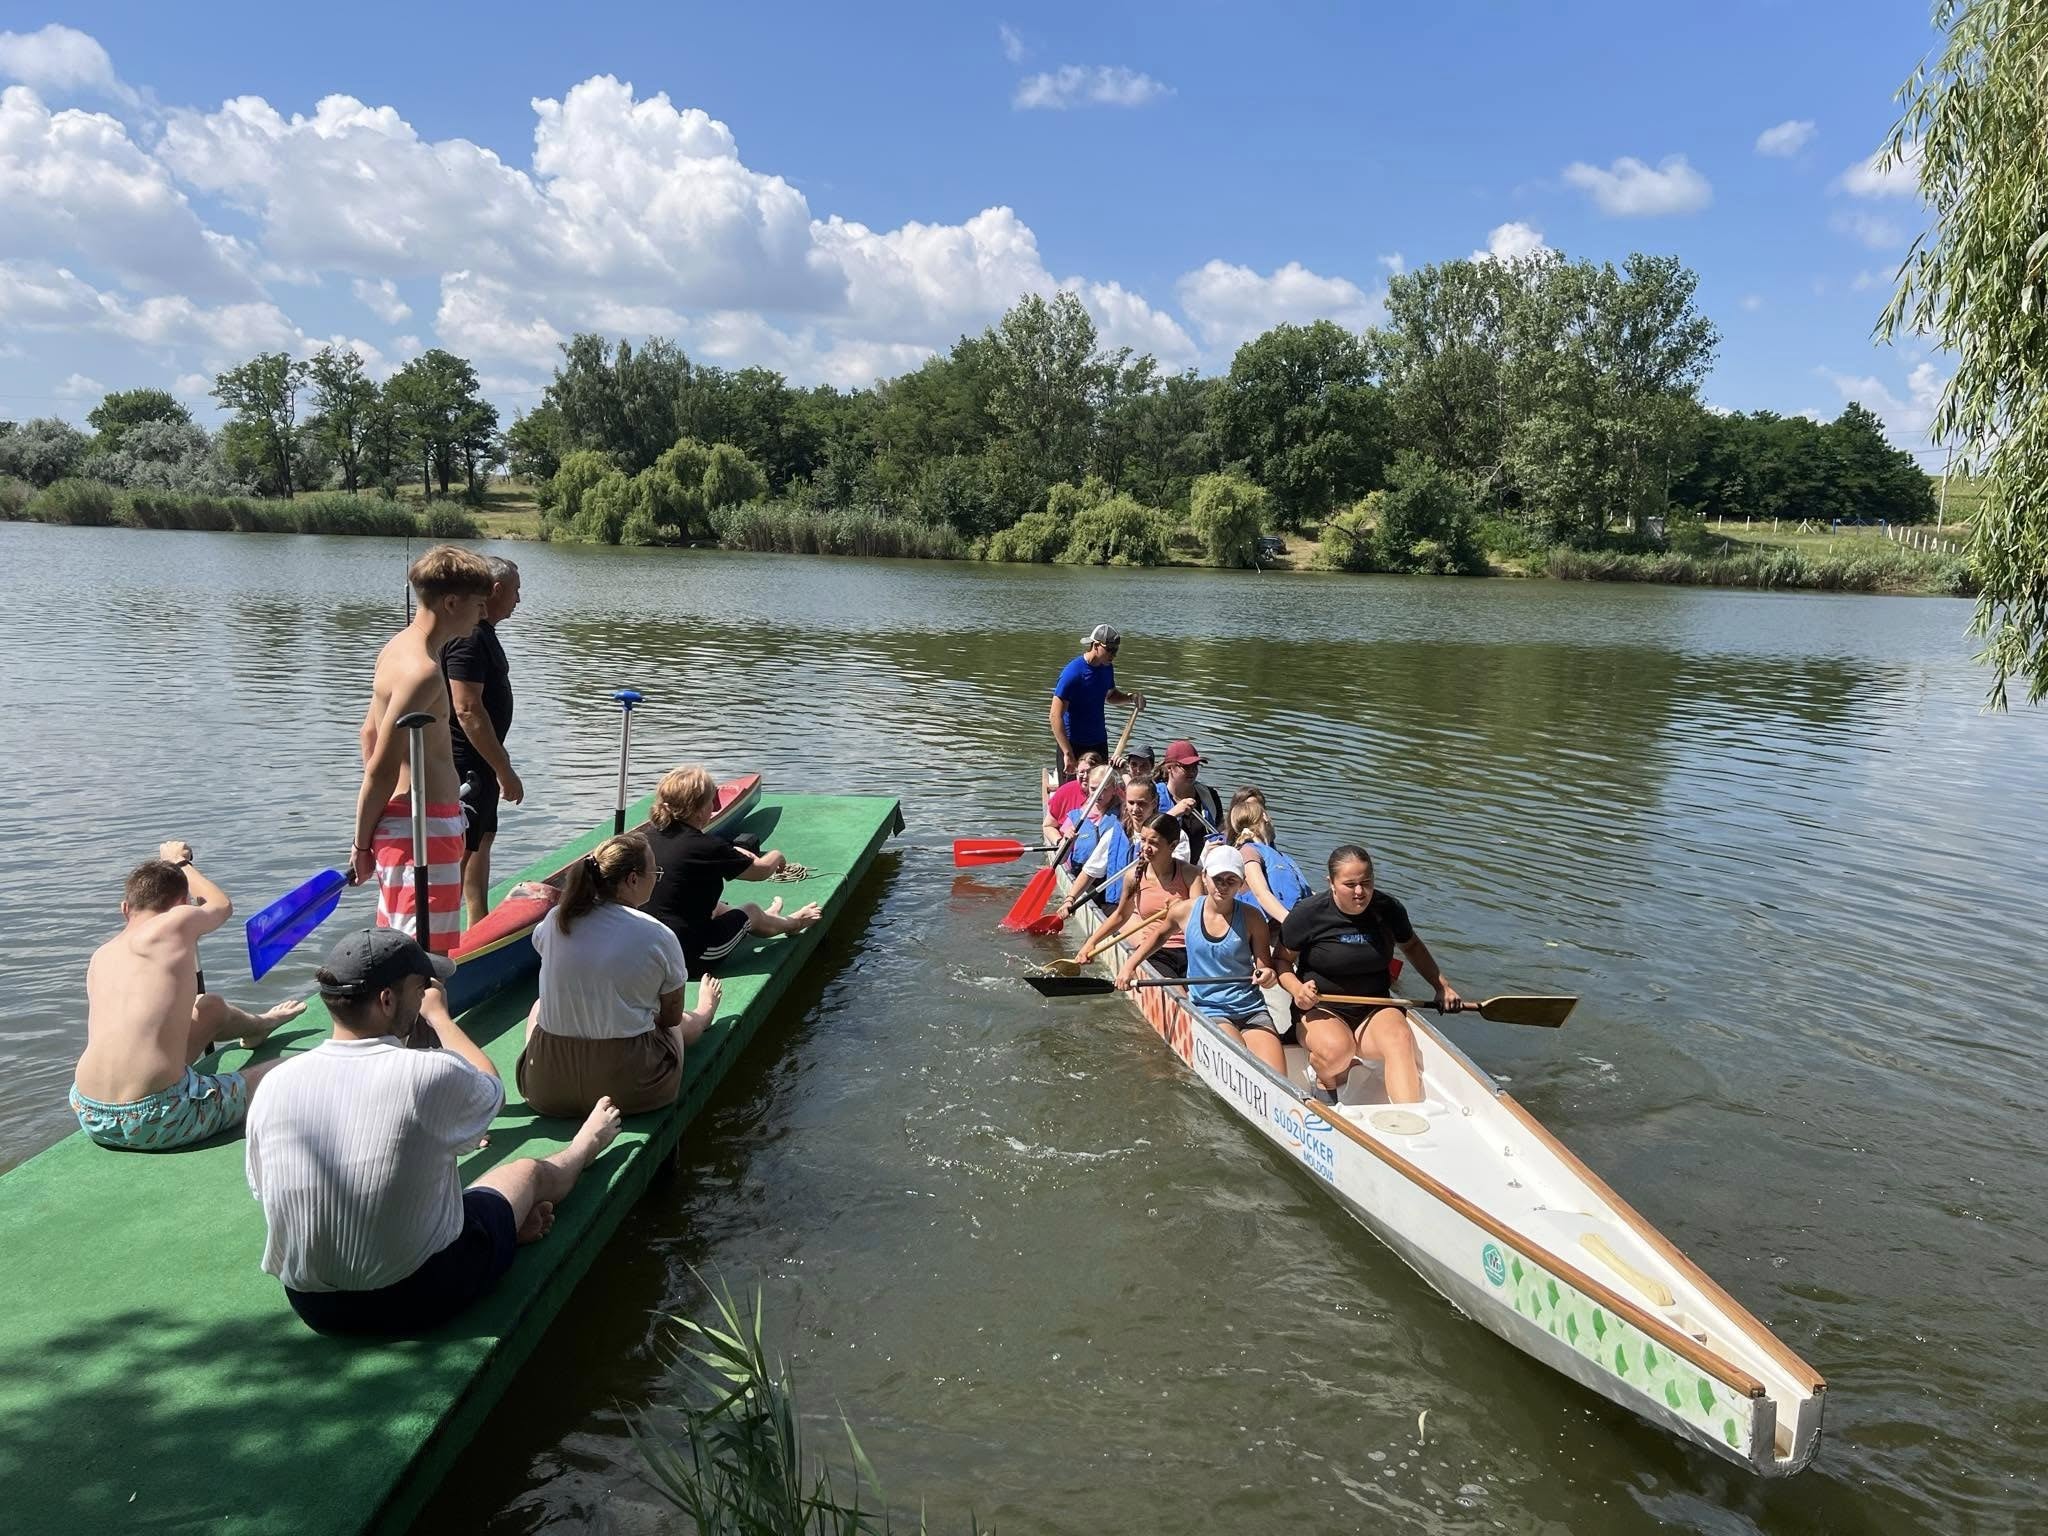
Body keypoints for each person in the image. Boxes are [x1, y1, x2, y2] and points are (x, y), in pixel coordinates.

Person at [245, 927, 623, 1337]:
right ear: (387, 1000)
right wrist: (440, 1017)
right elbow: (491, 1090)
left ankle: (503, 1229)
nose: (428, 994)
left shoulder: (275, 1083)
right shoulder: (428, 1072)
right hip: (417, 1295)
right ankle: (585, 1146)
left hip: (314, 1306)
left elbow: (268, 1191)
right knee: (525, 1173)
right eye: (421, 988)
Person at [71, 843, 304, 1151]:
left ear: (125, 908)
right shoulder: (174, 922)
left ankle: (260, 1025)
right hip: (158, 1116)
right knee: (296, 1068)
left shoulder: (101, 956)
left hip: (89, 1111)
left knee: (209, 1007)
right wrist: (179, 863)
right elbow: (221, 905)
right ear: (183, 904)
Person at [351, 545, 496, 953]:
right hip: (421, 832)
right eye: (478, 604)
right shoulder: (424, 672)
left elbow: (368, 735)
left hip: (411, 826)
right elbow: (381, 768)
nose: (483, 614)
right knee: (423, 960)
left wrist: (376, 831)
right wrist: (361, 845)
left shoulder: (396, 648)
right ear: (451, 603)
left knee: (407, 950)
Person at [517, 833, 722, 1117]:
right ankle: (703, 1014)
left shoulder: (556, 919)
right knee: (670, 1024)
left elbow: (548, 950)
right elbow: (671, 1017)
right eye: (655, 873)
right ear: (633, 880)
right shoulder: (657, 934)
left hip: (548, 1089)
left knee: (540, 1006)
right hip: (631, 1089)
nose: (657, 879)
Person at [1277, 845, 1463, 1107]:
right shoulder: (1308, 913)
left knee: (1400, 1039)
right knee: (1338, 1051)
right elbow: (1281, 961)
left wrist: (1442, 986)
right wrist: (1297, 989)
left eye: (1366, 882)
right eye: (1350, 884)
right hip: (1322, 1007)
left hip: (1375, 1006)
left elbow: (1412, 946)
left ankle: (1410, 1115)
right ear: (1331, 883)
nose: (1359, 892)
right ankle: (1326, 1079)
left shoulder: (1388, 909)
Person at [643, 765, 823, 976]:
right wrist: (777, 855)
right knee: (751, 911)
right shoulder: (707, 847)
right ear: (699, 810)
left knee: (716, 906)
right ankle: (794, 923)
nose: (714, 806)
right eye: (712, 801)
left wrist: (732, 852)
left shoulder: (646, 839)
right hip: (693, 957)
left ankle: (768, 921)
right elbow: (761, 871)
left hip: (649, 952)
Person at [1121, 845, 1284, 1069]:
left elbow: (1265, 967)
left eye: (1231, 880)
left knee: (1275, 1072)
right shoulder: (1184, 911)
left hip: (1251, 1008)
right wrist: (1129, 966)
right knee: (1242, 1064)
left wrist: (1267, 975)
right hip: (1210, 1008)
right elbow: (1158, 936)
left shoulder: (1253, 918)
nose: (1223, 886)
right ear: (1205, 877)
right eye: (1218, 879)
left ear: (1241, 883)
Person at [443, 555, 524, 927]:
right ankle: (442, 934)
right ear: (496, 590)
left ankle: (478, 922)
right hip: (466, 764)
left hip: (483, 761)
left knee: (481, 839)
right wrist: (503, 769)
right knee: (461, 847)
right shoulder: (470, 637)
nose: (518, 600)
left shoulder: (481, 633)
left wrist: (498, 765)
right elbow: (467, 709)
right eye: (515, 591)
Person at [1075, 813, 1200, 978]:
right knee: (1177, 989)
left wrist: (1183, 909)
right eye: (1143, 840)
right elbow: (1120, 916)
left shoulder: (1191, 874)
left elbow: (1199, 920)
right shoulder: (1133, 876)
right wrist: (1091, 943)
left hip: (1191, 950)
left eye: (1153, 843)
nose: (1145, 847)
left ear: (1173, 845)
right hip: (1154, 952)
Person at [1060, 777, 1188, 915]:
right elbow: (1090, 872)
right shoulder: (1114, 834)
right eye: (1131, 803)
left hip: (1156, 911)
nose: (1135, 809)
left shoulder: (1175, 836)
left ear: (1154, 803)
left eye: (1142, 803)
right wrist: (1070, 899)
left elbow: (1177, 877)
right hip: (1117, 909)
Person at [1049, 624, 1144, 779]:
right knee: (1072, 790)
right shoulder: (1073, 673)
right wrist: (1067, 753)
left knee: (1100, 788)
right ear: (1096, 645)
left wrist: (1130, 698)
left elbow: (1110, 696)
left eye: (1116, 650)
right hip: (1074, 744)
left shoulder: (1107, 668)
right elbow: (1055, 716)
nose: (1113, 655)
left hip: (1098, 742)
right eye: (1110, 650)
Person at [1227, 788, 1312, 922]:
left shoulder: (1278, 855)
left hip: (1295, 920)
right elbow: (1261, 893)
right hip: (1273, 926)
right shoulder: (1248, 851)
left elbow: (1305, 893)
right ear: (1265, 817)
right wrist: (1291, 924)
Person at [1158, 739, 1224, 850]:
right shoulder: (1154, 796)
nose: (1192, 771)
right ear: (1169, 768)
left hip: (1204, 859)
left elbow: (1221, 828)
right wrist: (1173, 814)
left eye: (1195, 766)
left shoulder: (1210, 795)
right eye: (1186, 767)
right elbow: (1145, 834)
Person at [1059, 763, 1122, 874]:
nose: (1098, 794)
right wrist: (1066, 841)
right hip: (1080, 873)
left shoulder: (1122, 814)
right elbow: (1060, 860)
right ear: (1088, 787)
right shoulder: (1075, 817)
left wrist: (1124, 773)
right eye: (1093, 789)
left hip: (1110, 875)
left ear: (1114, 790)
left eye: (1104, 789)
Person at [1041, 750, 1104, 844]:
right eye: (1081, 772)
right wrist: (1059, 842)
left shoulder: (1110, 792)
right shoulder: (1064, 792)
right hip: (1069, 844)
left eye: (1089, 772)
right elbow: (1048, 826)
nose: (1085, 776)